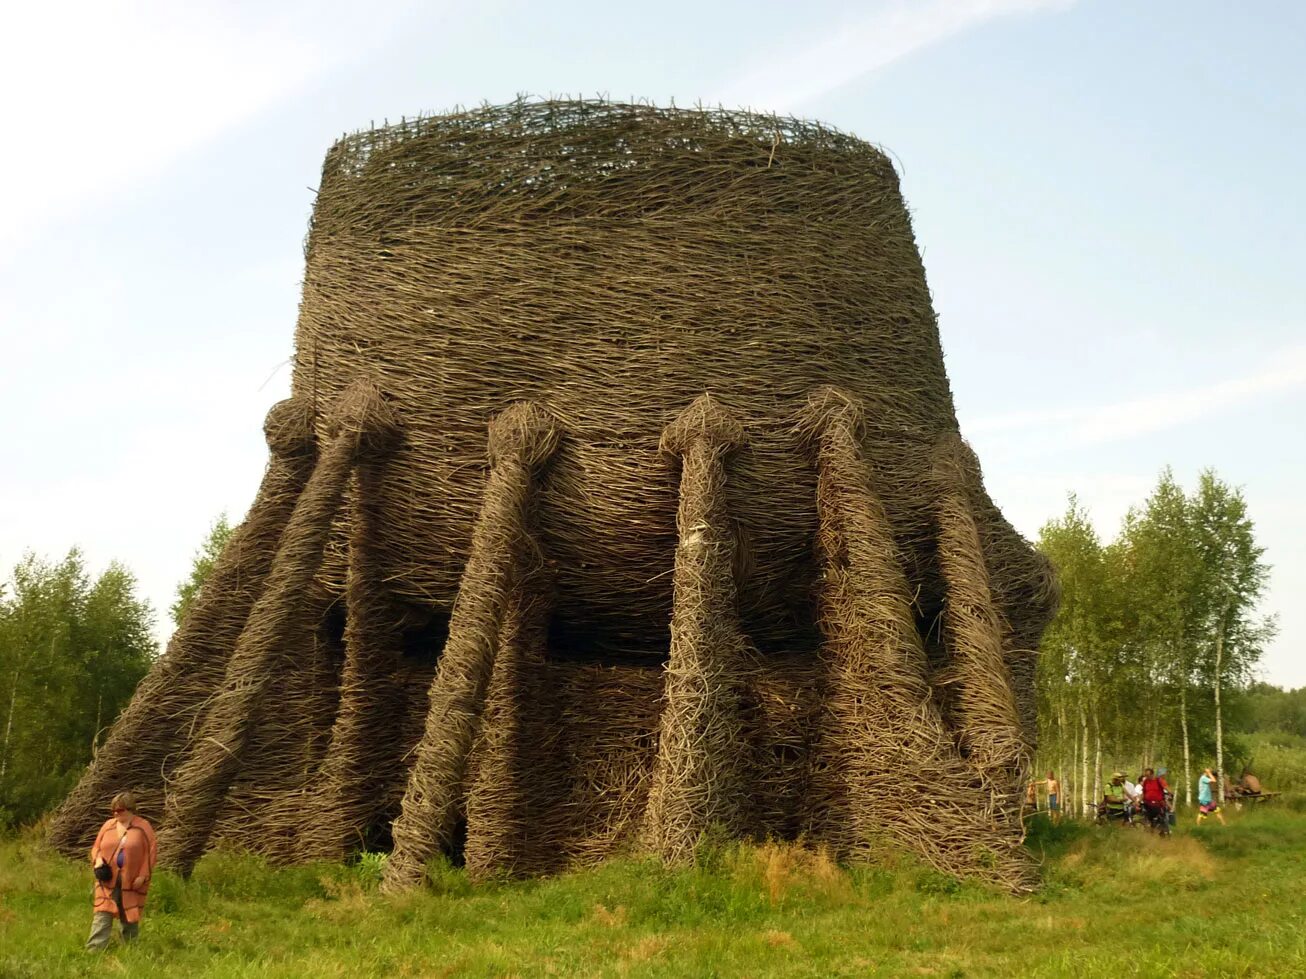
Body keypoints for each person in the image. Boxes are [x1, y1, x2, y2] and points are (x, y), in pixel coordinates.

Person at [87, 791, 157, 951]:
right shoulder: (108, 826)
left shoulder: (143, 827)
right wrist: (98, 861)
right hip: (107, 880)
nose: (117, 814)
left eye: (121, 810)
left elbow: (150, 853)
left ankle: (130, 950)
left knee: (129, 916)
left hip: (131, 880)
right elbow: (96, 847)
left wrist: (143, 875)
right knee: (102, 913)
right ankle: (94, 950)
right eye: (114, 811)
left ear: (130, 809)